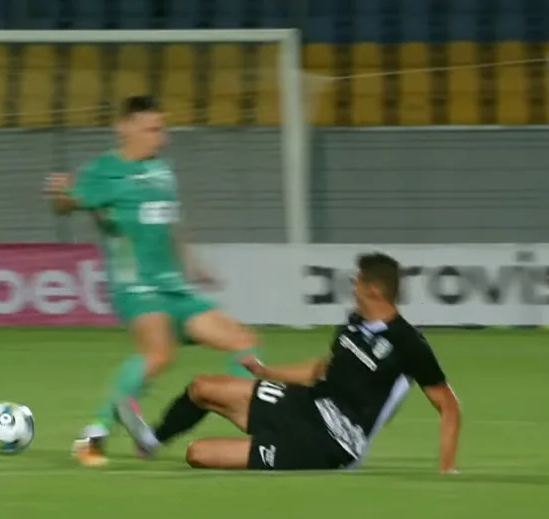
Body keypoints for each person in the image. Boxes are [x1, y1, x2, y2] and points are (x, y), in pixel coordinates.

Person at [44, 95, 260, 468]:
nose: (162, 137)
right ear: (125, 127)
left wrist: (192, 263)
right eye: (153, 129)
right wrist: (59, 194)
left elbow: (170, 223)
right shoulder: (103, 173)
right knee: (159, 354)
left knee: (243, 342)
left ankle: (215, 421)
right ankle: (93, 435)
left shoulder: (162, 171)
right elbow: (68, 204)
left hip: (174, 287)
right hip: (137, 285)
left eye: (162, 129)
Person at [117, 252, 462, 473]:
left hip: (331, 441)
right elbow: (320, 370)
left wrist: (446, 469)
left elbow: (448, 406)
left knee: (198, 453)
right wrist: (266, 372)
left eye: (357, 281)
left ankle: (286, 451)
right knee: (202, 387)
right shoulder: (354, 323)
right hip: (305, 404)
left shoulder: (408, 343)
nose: (352, 286)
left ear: (374, 290)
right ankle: (151, 442)